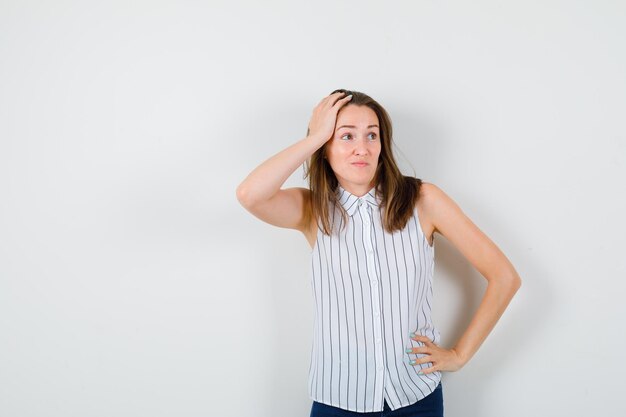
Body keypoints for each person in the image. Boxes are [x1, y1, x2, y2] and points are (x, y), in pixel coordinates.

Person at [236, 89, 521, 416]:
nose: (362, 148)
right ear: (324, 148)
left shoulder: (423, 200)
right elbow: (250, 195)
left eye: (372, 135)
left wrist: (459, 354)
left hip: (416, 398)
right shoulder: (312, 209)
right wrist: (314, 137)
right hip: (337, 399)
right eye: (345, 136)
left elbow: (504, 277)